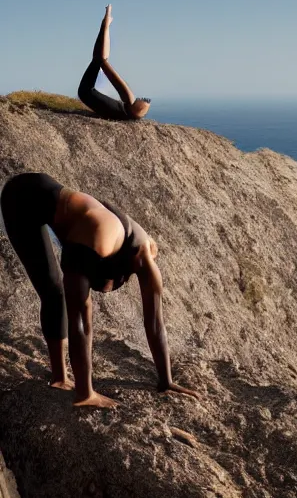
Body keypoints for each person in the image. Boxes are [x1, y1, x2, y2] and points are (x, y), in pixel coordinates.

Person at [0, 173, 198, 408]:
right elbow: (80, 317)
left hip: (77, 217)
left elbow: (155, 323)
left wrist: (166, 381)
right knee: (54, 293)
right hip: (22, 198)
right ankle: (60, 378)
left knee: (60, 295)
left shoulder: (145, 258)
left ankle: (66, 379)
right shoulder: (97, 236)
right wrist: (86, 393)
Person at [78, 5, 151, 121]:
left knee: (100, 60)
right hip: (87, 92)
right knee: (99, 60)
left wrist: (106, 24)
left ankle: (105, 24)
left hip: (86, 91)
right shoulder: (127, 111)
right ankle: (105, 24)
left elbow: (117, 82)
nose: (141, 98)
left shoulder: (127, 111)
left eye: (142, 100)